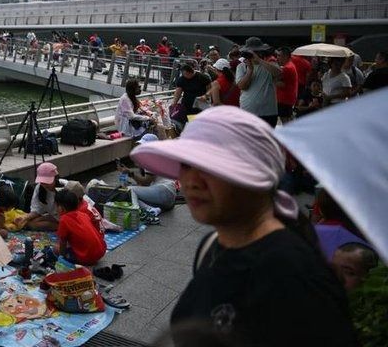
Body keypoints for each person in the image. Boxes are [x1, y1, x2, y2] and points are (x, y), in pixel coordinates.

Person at [130, 107, 356, 347]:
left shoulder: (292, 275)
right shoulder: (212, 246)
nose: (191, 181)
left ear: (255, 176)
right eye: (186, 164)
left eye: (210, 166)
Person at [117, 134, 178, 211]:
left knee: (129, 190)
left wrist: (130, 173)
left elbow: (146, 182)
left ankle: (140, 211)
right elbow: (144, 184)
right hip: (169, 196)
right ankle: (152, 210)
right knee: (131, 195)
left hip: (163, 190)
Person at [235, 37, 281, 127]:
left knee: (266, 139)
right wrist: (250, 70)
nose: (254, 54)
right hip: (248, 111)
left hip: (268, 112)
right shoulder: (241, 66)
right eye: (251, 52)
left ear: (261, 52)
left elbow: (278, 73)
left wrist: (259, 60)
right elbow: (242, 86)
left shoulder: (270, 65)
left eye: (256, 52)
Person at [54, 190, 106, 266]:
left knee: (55, 249)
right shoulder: (83, 214)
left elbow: (63, 242)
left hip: (86, 258)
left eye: (56, 206)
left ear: (62, 208)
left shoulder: (64, 219)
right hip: (100, 252)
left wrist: (61, 258)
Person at [23, 162, 66, 231]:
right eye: (43, 182)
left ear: (55, 178)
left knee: (36, 225)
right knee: (30, 223)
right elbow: (36, 209)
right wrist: (25, 218)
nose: (45, 185)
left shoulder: (66, 187)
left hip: (67, 218)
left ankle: (62, 227)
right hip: (55, 217)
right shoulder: (39, 188)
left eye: (47, 182)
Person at [171, 60, 209, 125]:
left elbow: (210, 89)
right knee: (190, 122)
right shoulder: (182, 79)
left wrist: (206, 96)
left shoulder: (202, 77)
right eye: (184, 74)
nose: (186, 76)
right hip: (187, 105)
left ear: (191, 72)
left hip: (200, 105)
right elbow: (178, 92)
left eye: (187, 74)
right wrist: (174, 102)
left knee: (199, 122)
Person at [274, 47, 299, 123]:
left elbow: (282, 84)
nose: (277, 58)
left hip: (284, 99)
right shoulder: (290, 65)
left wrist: (271, 80)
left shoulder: (287, 68)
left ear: (285, 56)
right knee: (287, 119)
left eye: (279, 56)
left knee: (285, 120)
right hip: (288, 98)